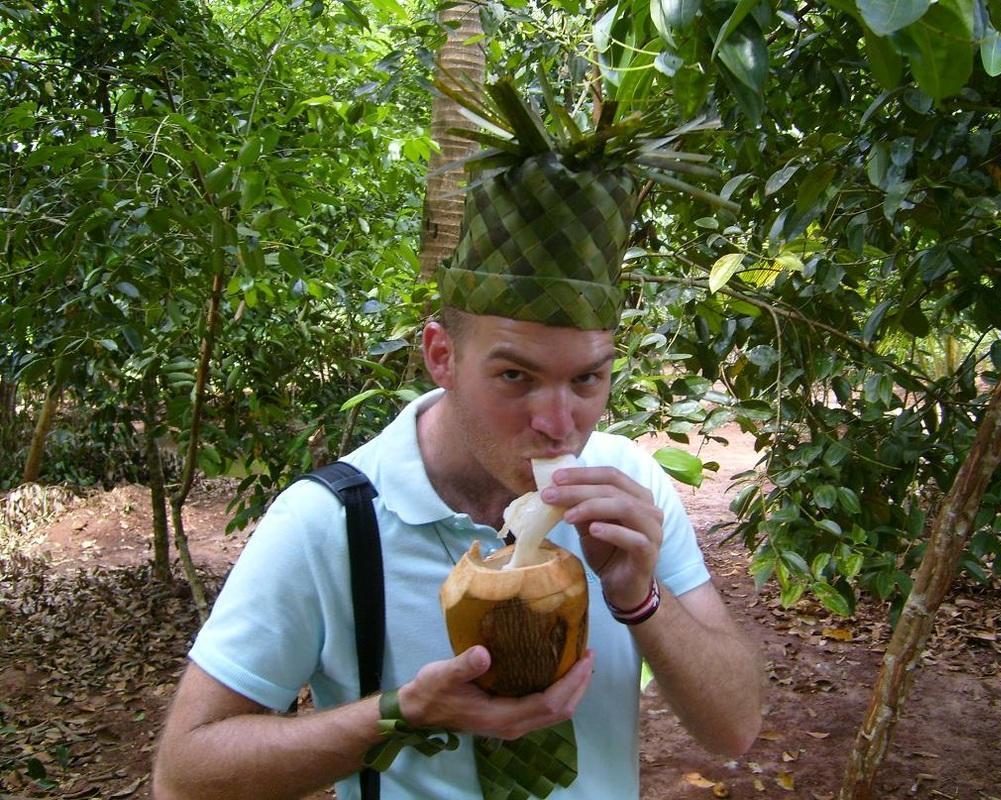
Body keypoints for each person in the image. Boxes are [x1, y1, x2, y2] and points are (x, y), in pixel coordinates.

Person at [153, 90, 763, 800]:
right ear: (441, 355)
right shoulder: (331, 523)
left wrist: (637, 595)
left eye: (587, 378)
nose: (559, 423)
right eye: (515, 375)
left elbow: (736, 729)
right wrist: (399, 715)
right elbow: (183, 776)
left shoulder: (629, 486)